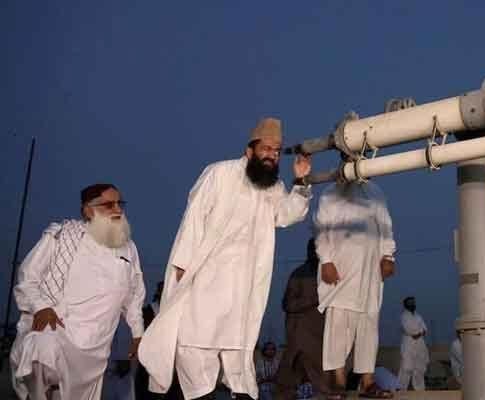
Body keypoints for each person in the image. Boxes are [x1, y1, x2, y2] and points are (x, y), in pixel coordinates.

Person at [138, 117, 313, 400]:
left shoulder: (273, 187)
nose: (272, 155)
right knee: (196, 342)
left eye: (277, 150)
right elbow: (193, 220)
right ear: (249, 150)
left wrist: (301, 181)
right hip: (207, 278)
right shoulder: (219, 174)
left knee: (238, 349)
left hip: (244, 286)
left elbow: (287, 214)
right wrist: (182, 264)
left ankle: (240, 391)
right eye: (266, 148)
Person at [10, 183, 146, 400]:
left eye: (120, 203)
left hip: (98, 346)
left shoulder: (128, 247)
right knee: (39, 349)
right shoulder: (61, 236)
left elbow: (134, 296)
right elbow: (28, 275)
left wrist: (138, 334)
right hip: (61, 328)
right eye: (109, 205)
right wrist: (41, 307)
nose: (118, 210)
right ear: (88, 210)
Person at [314, 178, 397, 399]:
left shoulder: (374, 191)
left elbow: (385, 226)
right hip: (339, 270)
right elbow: (321, 230)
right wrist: (326, 260)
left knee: (368, 325)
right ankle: (338, 383)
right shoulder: (330, 194)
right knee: (338, 327)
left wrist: (388, 254)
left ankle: (367, 383)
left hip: (370, 271)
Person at [276, 238, 329, 399]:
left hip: (320, 338)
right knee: (288, 380)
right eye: (314, 249)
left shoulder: (329, 274)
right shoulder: (299, 274)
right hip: (299, 337)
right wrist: (315, 299)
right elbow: (288, 304)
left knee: (323, 383)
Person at [397, 297, 429, 391]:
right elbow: (410, 331)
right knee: (406, 368)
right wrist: (419, 332)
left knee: (419, 369)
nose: (412, 304)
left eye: (413, 302)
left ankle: (420, 391)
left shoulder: (418, 316)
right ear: (406, 305)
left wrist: (419, 332)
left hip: (420, 345)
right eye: (410, 303)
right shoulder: (404, 316)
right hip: (408, 345)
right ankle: (401, 390)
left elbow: (425, 329)